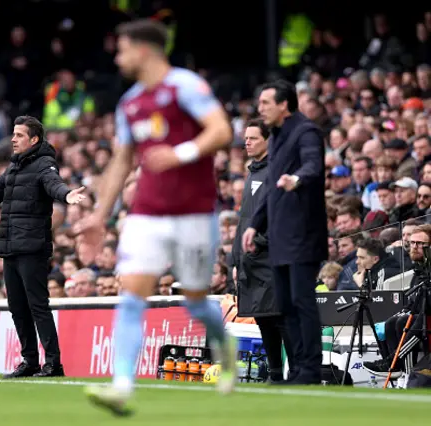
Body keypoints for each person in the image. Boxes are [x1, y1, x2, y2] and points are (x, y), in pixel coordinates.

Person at [74, 19, 236, 415]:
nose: (118, 57)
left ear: (143, 50)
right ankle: (122, 386)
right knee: (132, 295)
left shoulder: (186, 86)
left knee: (197, 302)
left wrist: (180, 153)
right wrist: (99, 215)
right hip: (146, 212)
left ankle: (224, 346)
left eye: (123, 49)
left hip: (195, 213)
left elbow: (222, 130)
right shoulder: (129, 103)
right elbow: (121, 160)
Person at [0, 115, 86, 378]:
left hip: (32, 247)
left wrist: (67, 194)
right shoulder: (14, 168)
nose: (13, 139)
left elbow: (54, 185)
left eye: (19, 135)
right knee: (17, 308)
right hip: (9, 247)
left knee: (37, 306)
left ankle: (53, 363)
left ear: (34, 140)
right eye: (13, 134)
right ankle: (29, 361)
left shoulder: (45, 164)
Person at [242, 79, 327, 385]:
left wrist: (297, 179)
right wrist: (254, 224)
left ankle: (310, 371)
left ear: (283, 105)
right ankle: (299, 369)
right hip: (279, 235)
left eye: (266, 103)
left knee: (303, 302)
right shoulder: (276, 137)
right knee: (286, 305)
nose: (260, 108)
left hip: (303, 233)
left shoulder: (307, 132)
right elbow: (269, 193)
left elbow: (314, 166)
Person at [231, 118, 293, 383]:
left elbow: (284, 214)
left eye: (253, 138)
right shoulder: (253, 172)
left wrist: (264, 242)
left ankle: (299, 371)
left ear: (268, 141)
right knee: (262, 317)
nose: (247, 142)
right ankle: (276, 372)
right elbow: (245, 219)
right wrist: (235, 260)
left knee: (280, 316)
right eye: (246, 138)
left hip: (270, 256)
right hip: (250, 259)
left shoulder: (276, 172)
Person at [363, 225, 431, 378]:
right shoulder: (418, 270)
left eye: (420, 244)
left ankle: (393, 363)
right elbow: (412, 300)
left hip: (427, 317)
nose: (414, 247)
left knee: (404, 322)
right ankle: (397, 370)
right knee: (392, 322)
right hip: (420, 315)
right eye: (412, 243)